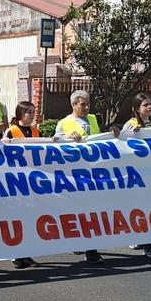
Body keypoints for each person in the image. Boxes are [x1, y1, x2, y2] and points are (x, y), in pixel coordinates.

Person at [53, 90, 107, 264]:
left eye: (88, 104)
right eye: (82, 104)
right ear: (74, 105)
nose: (86, 107)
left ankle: (90, 249)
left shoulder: (92, 119)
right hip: (73, 174)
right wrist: (66, 137)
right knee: (76, 211)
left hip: (92, 172)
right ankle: (78, 241)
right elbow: (54, 143)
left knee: (91, 211)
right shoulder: (64, 123)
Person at [121, 93, 151, 259]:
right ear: (136, 108)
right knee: (143, 209)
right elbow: (121, 146)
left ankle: (141, 239)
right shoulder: (130, 125)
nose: (149, 108)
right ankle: (149, 246)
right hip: (137, 174)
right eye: (145, 105)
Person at [2, 101, 41, 269]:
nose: (31, 115)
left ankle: (27, 253)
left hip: (32, 180)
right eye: (28, 112)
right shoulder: (11, 131)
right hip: (16, 181)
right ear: (20, 114)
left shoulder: (36, 132)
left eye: (33, 111)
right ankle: (16, 254)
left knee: (30, 218)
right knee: (17, 218)